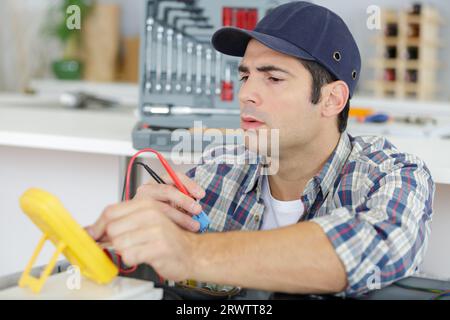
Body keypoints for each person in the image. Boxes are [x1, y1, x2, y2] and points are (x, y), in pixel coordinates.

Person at [86, 1, 434, 297]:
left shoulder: (391, 174)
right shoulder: (219, 169)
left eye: (273, 78)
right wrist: (130, 239)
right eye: (245, 76)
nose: (246, 94)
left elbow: (376, 245)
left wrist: (191, 253)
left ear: (332, 99)